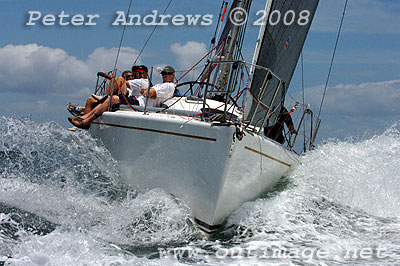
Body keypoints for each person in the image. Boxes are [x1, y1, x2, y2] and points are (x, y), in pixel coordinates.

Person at [68, 65, 176, 129]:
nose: (165, 75)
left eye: (167, 73)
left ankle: (86, 121)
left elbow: (148, 92)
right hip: (138, 101)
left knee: (112, 99)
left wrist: (147, 92)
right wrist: (147, 92)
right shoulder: (161, 85)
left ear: (173, 75)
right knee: (109, 98)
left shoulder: (169, 86)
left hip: (140, 105)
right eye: (163, 73)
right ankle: (84, 119)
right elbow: (148, 92)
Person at [67, 70, 134, 116]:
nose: (130, 78)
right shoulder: (122, 82)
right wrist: (107, 76)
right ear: (124, 77)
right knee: (90, 100)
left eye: (132, 76)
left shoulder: (134, 85)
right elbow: (117, 80)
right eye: (128, 76)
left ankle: (81, 109)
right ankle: (82, 121)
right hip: (112, 99)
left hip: (119, 101)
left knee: (94, 103)